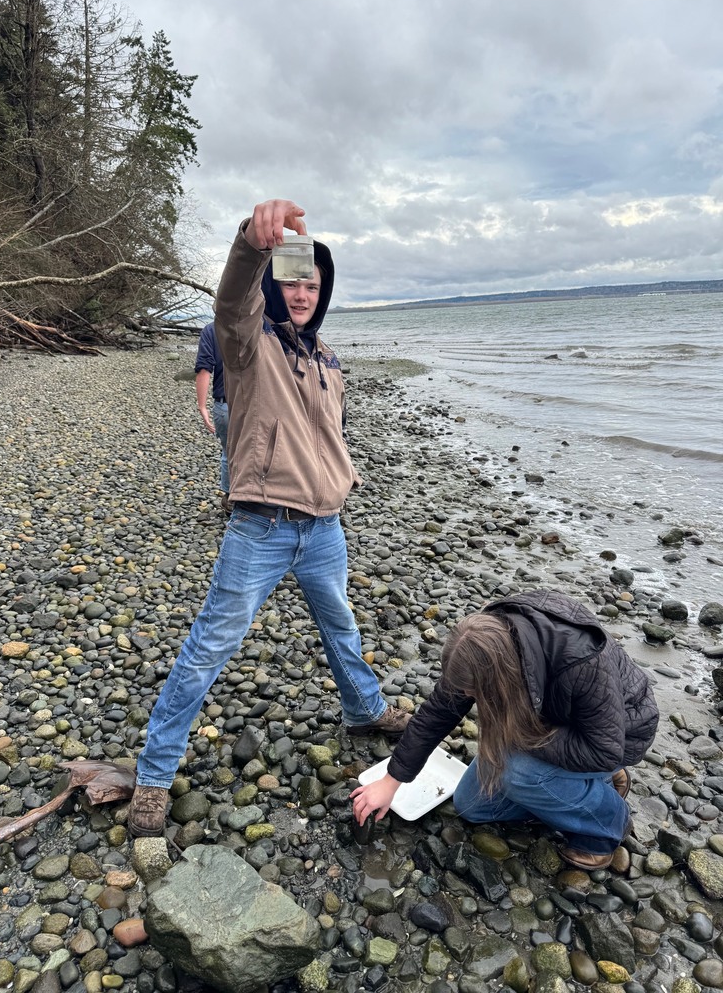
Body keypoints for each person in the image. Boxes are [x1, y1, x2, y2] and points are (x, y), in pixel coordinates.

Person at [128, 198, 411, 837]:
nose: (303, 292)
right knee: (208, 648)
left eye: (312, 281)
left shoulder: (327, 357)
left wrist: (341, 480)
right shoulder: (248, 344)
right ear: (273, 286)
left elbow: (326, 435)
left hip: (325, 527)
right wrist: (253, 246)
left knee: (341, 624)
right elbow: (231, 302)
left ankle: (364, 709)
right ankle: (153, 771)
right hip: (260, 528)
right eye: (290, 280)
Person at [351, 589, 659, 871]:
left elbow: (604, 749)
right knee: (471, 805)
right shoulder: (478, 646)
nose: (470, 699)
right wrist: (392, 781)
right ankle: (582, 785)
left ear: (501, 679)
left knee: (518, 772)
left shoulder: (581, 661)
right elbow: (438, 712)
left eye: (475, 694)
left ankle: (606, 822)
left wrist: (518, 738)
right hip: (553, 726)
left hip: (619, 735)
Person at [195, 320, 230, 513]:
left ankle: (231, 498)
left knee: (228, 452)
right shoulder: (259, 325)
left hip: (224, 402)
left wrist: (202, 406)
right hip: (255, 403)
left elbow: (204, 369)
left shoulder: (212, 329)